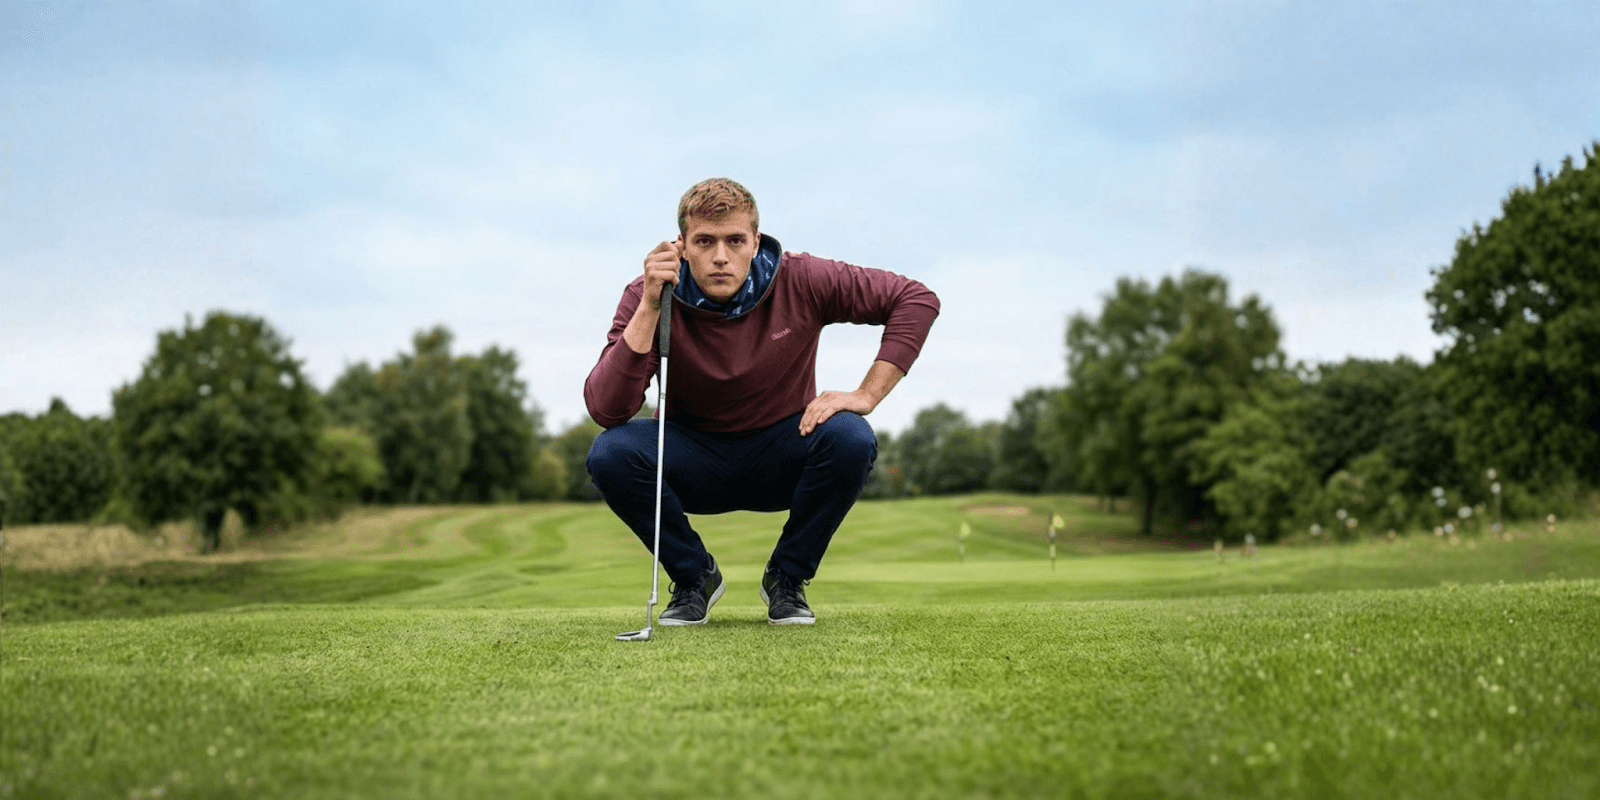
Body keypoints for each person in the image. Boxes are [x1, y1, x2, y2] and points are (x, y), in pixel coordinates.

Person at [584, 178, 940, 626]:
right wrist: (650, 307)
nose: (720, 256)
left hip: (783, 453)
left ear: (755, 241)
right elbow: (607, 410)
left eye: (735, 240)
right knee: (610, 451)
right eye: (705, 241)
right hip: (691, 456)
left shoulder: (802, 277)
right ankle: (694, 577)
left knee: (850, 435)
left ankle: (787, 579)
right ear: (682, 246)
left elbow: (915, 299)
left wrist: (866, 393)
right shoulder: (648, 294)